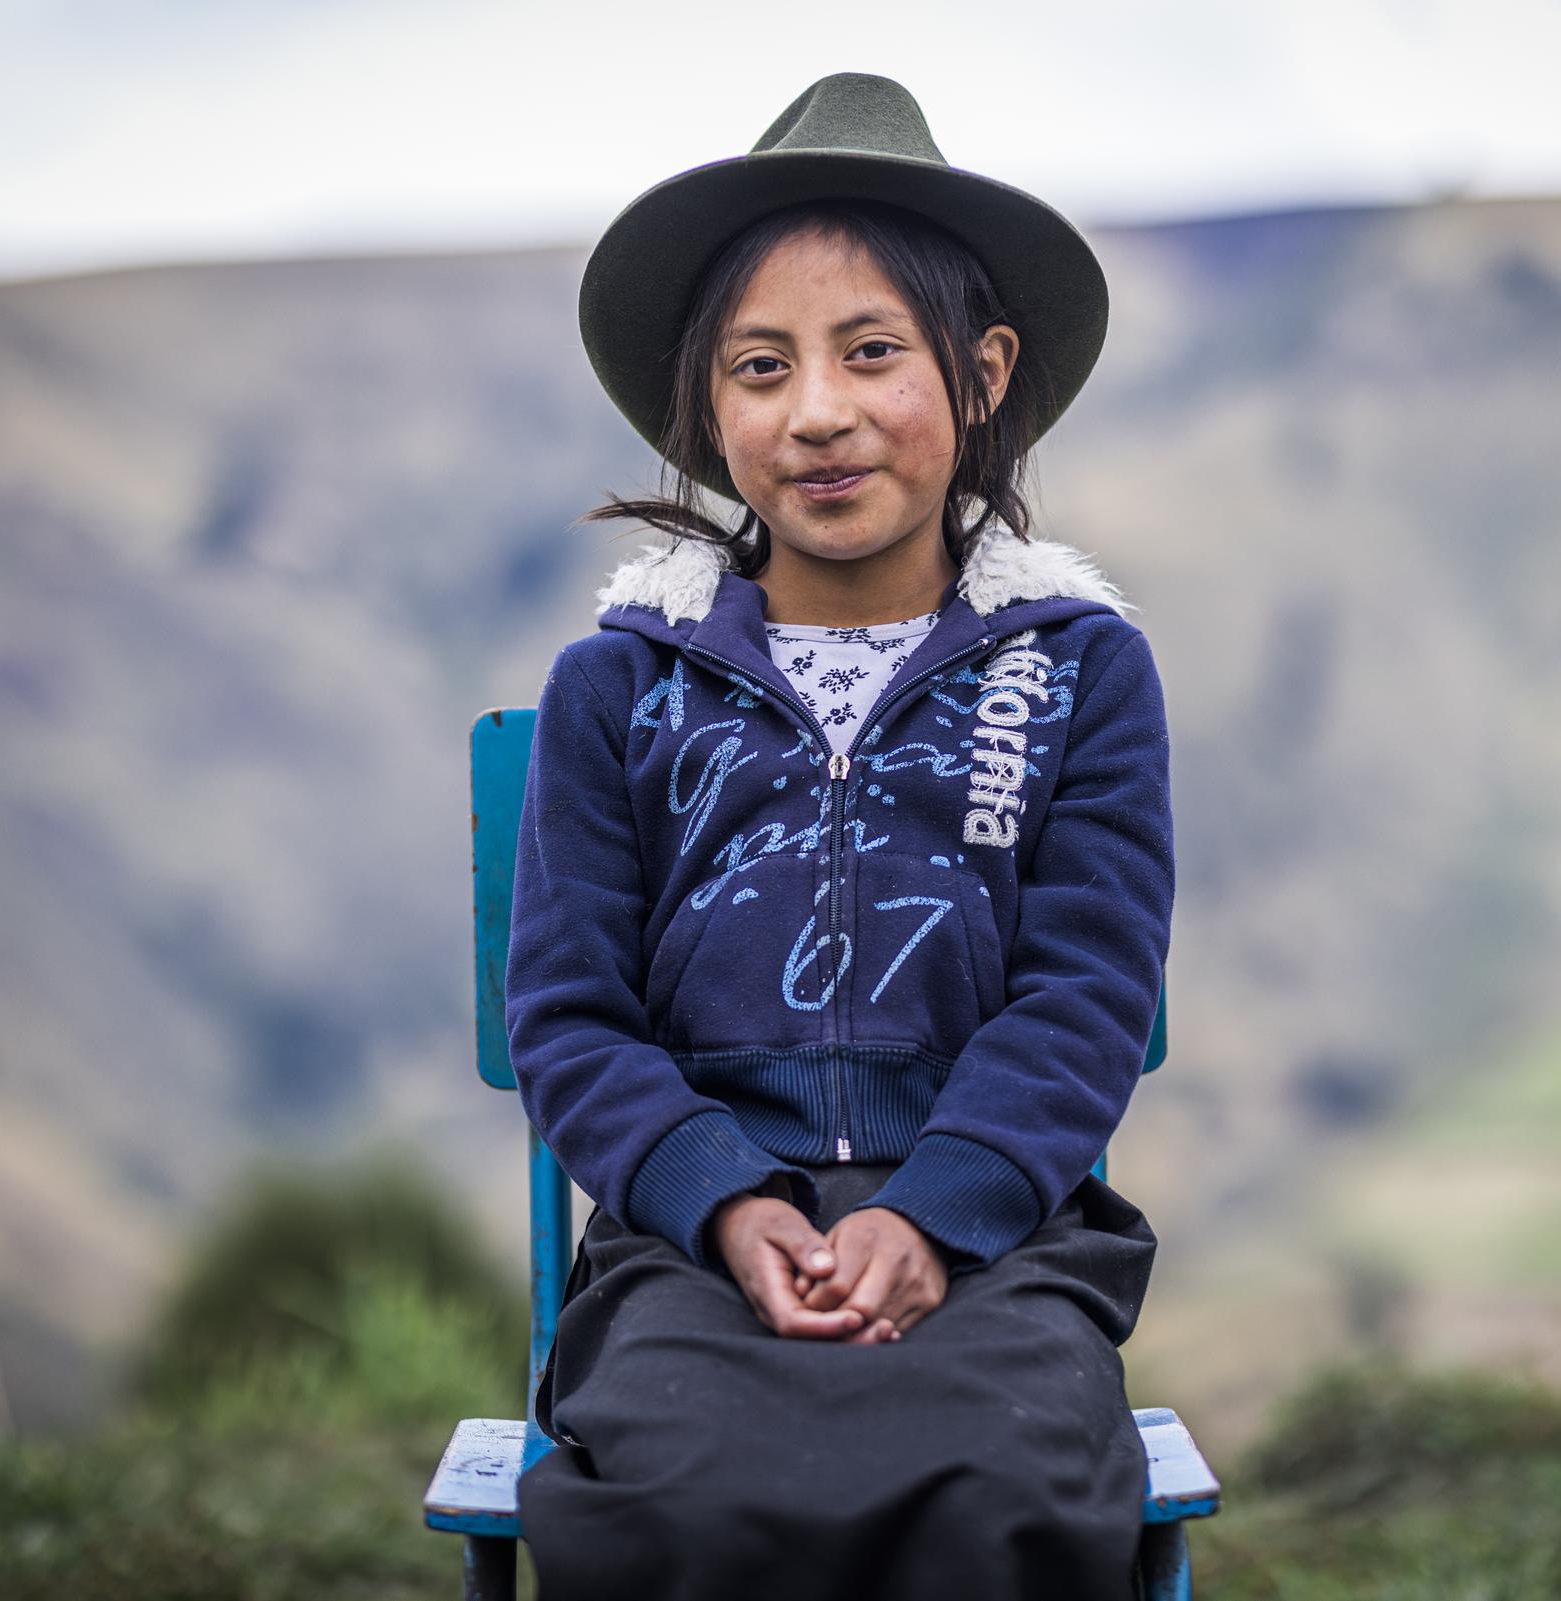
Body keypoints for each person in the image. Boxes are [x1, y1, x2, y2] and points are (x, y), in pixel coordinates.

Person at [506, 70, 1177, 1600]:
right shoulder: (619, 689)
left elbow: (1085, 997)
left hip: (1000, 1240)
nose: (817, 412)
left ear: (985, 371)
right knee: (675, 1498)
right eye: (760, 366)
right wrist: (726, 1201)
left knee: (998, 1485)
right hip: (692, 1250)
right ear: (708, 408)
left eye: (872, 352)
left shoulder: (1076, 672)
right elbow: (570, 1014)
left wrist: (935, 1215)